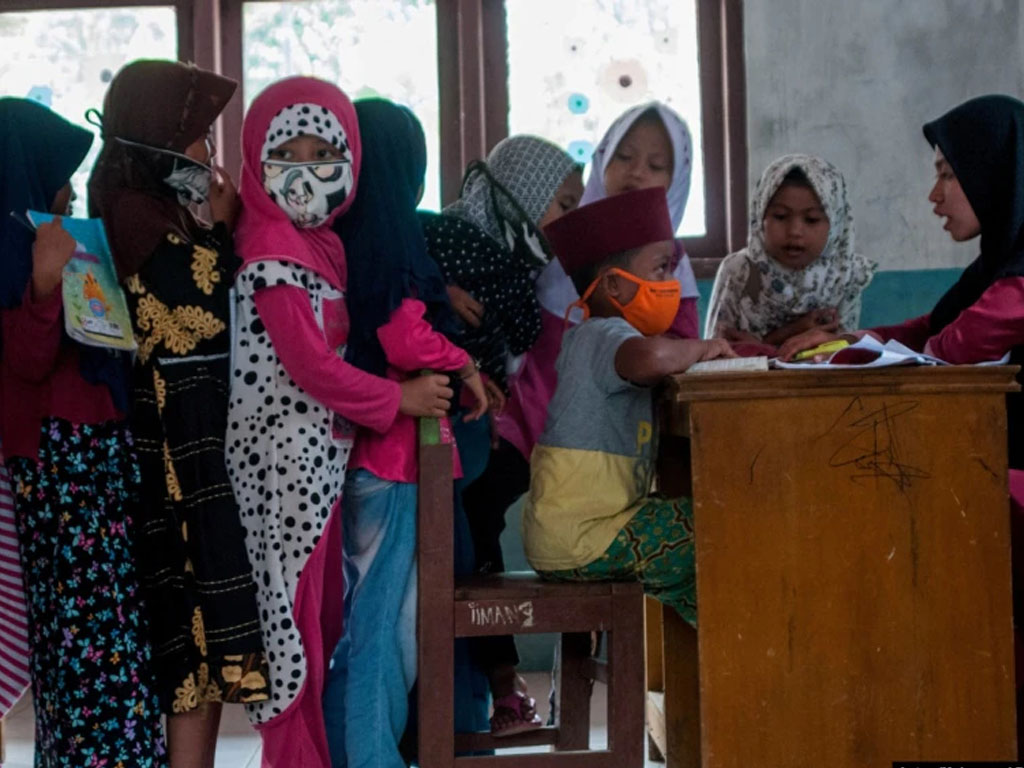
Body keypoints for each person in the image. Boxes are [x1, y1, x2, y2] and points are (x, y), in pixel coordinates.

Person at [772, 95, 1024, 751]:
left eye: (948, 172)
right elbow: (926, 330)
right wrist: (841, 340)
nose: (935, 194)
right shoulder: (996, 265)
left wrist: (850, 349)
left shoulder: (1021, 279)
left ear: (995, 173)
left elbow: (952, 347)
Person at [226, 77, 452, 768]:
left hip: (321, 468)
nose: (304, 170)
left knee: (324, 629)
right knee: (292, 635)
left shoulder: (322, 246)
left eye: (322, 150)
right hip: (283, 475)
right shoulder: (273, 252)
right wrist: (398, 402)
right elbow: (309, 368)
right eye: (284, 151)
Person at [87, 59, 270, 767]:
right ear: (162, 136)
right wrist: (222, 231)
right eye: (198, 136)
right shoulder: (136, 215)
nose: (208, 156)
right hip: (175, 447)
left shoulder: (157, 211)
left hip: (196, 435)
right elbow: (200, 317)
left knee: (205, 630)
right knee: (191, 628)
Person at [0, 96, 167, 767]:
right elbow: (26, 365)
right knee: (85, 647)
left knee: (118, 639)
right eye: (59, 174)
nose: (70, 189)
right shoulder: (19, 254)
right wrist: (42, 287)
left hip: (98, 463)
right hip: (58, 471)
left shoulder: (67, 242)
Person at [322, 97, 487, 768]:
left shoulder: (348, 242)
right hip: (389, 464)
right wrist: (463, 360)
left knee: (389, 623)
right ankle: (367, 757)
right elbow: (400, 332)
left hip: (382, 461)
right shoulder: (390, 243)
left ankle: (363, 751)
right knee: (384, 625)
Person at [420, 135, 581, 735]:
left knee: (469, 547)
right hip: (417, 436)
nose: (571, 220)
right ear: (525, 194)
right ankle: (487, 692)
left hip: (474, 433)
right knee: (459, 547)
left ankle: (490, 693)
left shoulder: (525, 275)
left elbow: (511, 346)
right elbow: (393, 282)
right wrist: (440, 292)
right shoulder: (436, 240)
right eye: (562, 203)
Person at [522, 186, 733, 620]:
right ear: (615, 286)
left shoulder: (595, 337)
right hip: (585, 537)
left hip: (578, 535)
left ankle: (718, 653)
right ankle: (733, 656)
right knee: (718, 528)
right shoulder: (604, 335)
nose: (670, 283)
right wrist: (705, 346)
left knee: (700, 537)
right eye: (660, 269)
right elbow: (654, 357)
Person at [704, 154, 876, 347]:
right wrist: (792, 332)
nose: (794, 231)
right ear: (760, 216)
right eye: (780, 216)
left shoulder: (843, 275)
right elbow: (716, 356)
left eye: (811, 219)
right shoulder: (739, 271)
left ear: (835, 225)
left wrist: (762, 346)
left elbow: (838, 356)